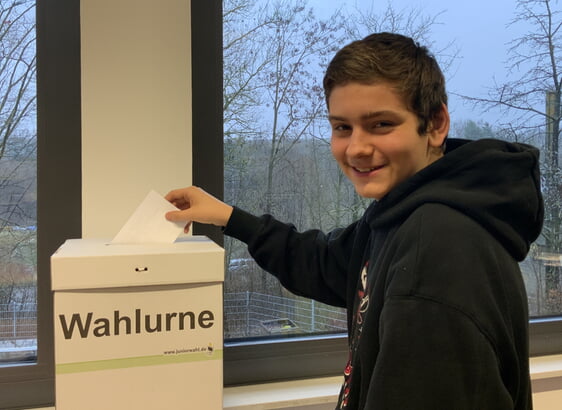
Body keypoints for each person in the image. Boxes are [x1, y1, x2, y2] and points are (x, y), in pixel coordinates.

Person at [165, 32, 543, 409]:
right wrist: (228, 217)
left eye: (381, 124)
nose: (357, 148)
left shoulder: (437, 249)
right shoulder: (399, 214)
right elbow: (325, 262)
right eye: (342, 127)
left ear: (435, 124)